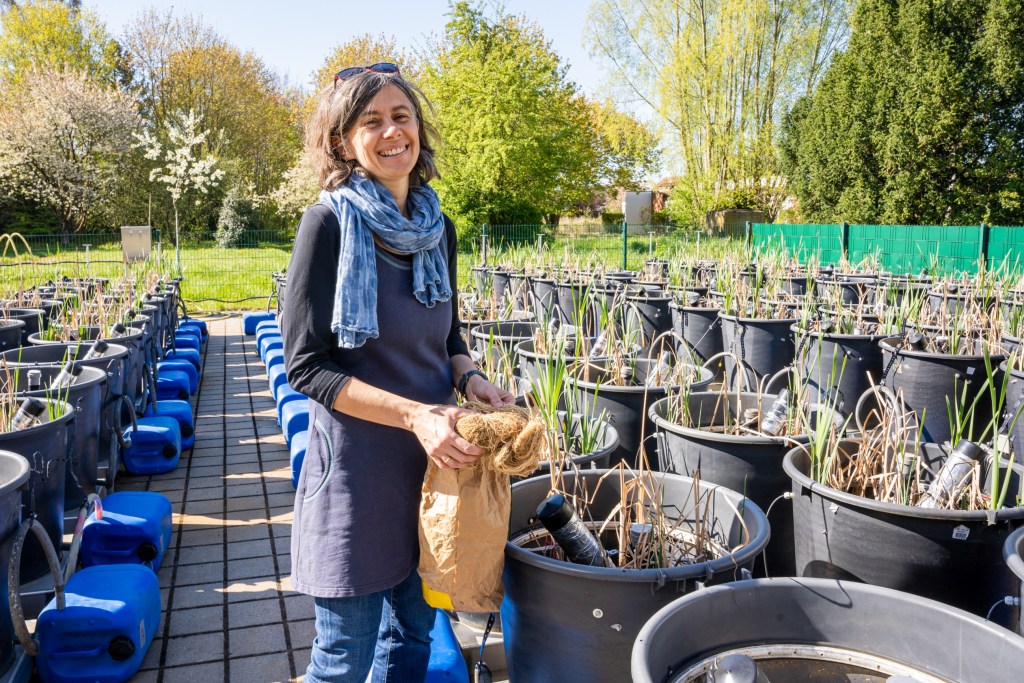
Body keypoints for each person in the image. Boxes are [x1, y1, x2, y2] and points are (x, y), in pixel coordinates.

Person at [281, 63, 515, 682]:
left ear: (418, 130)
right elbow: (306, 368)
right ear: (344, 142)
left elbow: (450, 335)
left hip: (436, 471)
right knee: (342, 660)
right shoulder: (327, 224)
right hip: (358, 470)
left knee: (411, 640)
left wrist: (468, 379)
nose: (391, 132)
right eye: (372, 121)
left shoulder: (440, 229)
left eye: (401, 116)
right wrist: (416, 414)